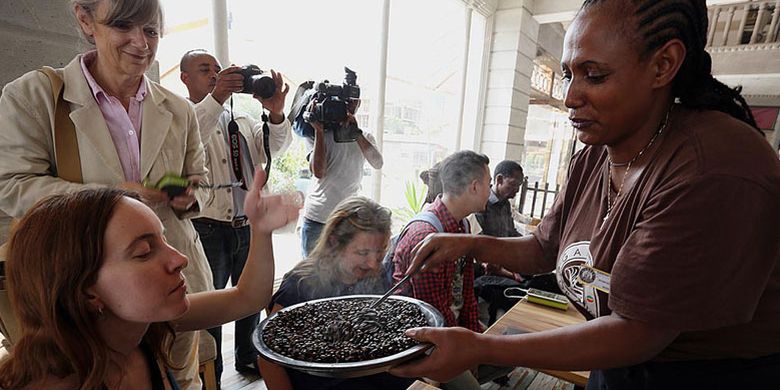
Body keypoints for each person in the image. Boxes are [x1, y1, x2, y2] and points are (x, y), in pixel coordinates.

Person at [390, 1, 780, 388]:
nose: (570, 97)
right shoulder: (597, 153)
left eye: (593, 75)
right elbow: (543, 248)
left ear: (663, 65)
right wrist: (463, 245)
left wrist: (482, 348)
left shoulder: (712, 169)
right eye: (568, 75)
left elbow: (637, 333)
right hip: (615, 359)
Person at [0, 1, 218, 388]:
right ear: (85, 20)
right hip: (85, 289)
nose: (140, 43)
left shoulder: (178, 110)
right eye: (122, 26)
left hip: (167, 279)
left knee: (178, 376)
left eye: (151, 31)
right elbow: (12, 185)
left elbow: (195, 179)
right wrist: (115, 195)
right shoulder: (35, 97)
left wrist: (186, 197)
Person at [0, 169, 301, 389]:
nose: (179, 259)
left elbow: (247, 297)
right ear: (86, 292)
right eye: (144, 252)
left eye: (164, 239)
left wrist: (260, 229)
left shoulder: (137, 328)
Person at [179, 49, 292, 382]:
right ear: (185, 77)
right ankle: (210, 374)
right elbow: (189, 139)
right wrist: (217, 97)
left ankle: (249, 358)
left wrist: (275, 114)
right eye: (205, 70)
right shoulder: (181, 115)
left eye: (218, 69)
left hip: (244, 226)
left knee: (250, 302)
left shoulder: (238, 119)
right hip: (207, 228)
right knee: (209, 307)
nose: (215, 74)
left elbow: (273, 149)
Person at [258, 196, 414, 390]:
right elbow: (267, 358)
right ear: (334, 243)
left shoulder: (377, 275)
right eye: (363, 253)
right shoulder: (300, 284)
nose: (374, 263)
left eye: (381, 252)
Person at [392, 151, 491, 333]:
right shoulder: (424, 236)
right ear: (475, 187)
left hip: (450, 328)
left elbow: (466, 293)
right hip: (423, 335)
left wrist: (473, 332)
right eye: (489, 185)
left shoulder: (464, 225)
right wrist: (468, 345)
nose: (490, 192)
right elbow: (433, 313)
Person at [300, 101, 384, 257]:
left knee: (343, 277)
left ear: (358, 104)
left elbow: (377, 163)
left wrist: (356, 133)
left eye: (353, 102)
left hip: (348, 219)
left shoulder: (364, 135)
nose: (348, 107)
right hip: (318, 218)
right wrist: (318, 130)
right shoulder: (316, 135)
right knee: (311, 277)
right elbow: (319, 171)